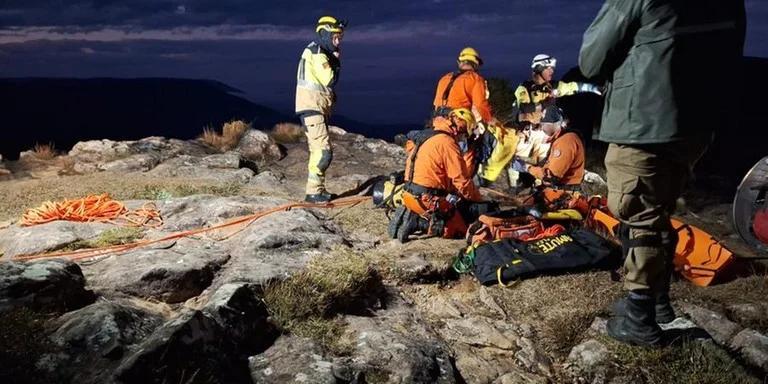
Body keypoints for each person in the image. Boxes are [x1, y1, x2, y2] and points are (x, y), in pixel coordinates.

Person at [579, 0, 746, 346]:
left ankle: (639, 319)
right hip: (696, 122)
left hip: (642, 119)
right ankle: (658, 303)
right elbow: (733, 49)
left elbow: (591, 59)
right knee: (660, 208)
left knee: (637, 211)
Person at [388, 108, 497, 242]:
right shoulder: (448, 143)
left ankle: (414, 213)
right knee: (460, 230)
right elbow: (461, 181)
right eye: (464, 135)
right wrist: (477, 198)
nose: (462, 139)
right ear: (460, 129)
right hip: (427, 200)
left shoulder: (428, 135)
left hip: (409, 195)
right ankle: (418, 223)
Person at [295, 16, 346, 203]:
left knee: (317, 151)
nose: (338, 41)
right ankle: (313, 192)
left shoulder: (315, 50)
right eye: (335, 37)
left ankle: (315, 190)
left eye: (340, 37)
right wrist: (335, 61)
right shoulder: (318, 53)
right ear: (325, 34)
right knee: (323, 152)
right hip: (312, 107)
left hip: (313, 107)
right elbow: (329, 79)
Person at [514, 106, 585, 189]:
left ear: (554, 123)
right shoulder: (561, 139)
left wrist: (527, 168)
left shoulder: (565, 141)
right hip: (561, 188)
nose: (541, 127)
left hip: (564, 191)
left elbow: (550, 177)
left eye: (543, 124)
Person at [433, 47, 496, 126]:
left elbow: (436, 105)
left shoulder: (444, 78)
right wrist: (490, 120)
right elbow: (480, 104)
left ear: (459, 62)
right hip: (458, 122)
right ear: (476, 64)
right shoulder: (476, 79)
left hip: (437, 122)